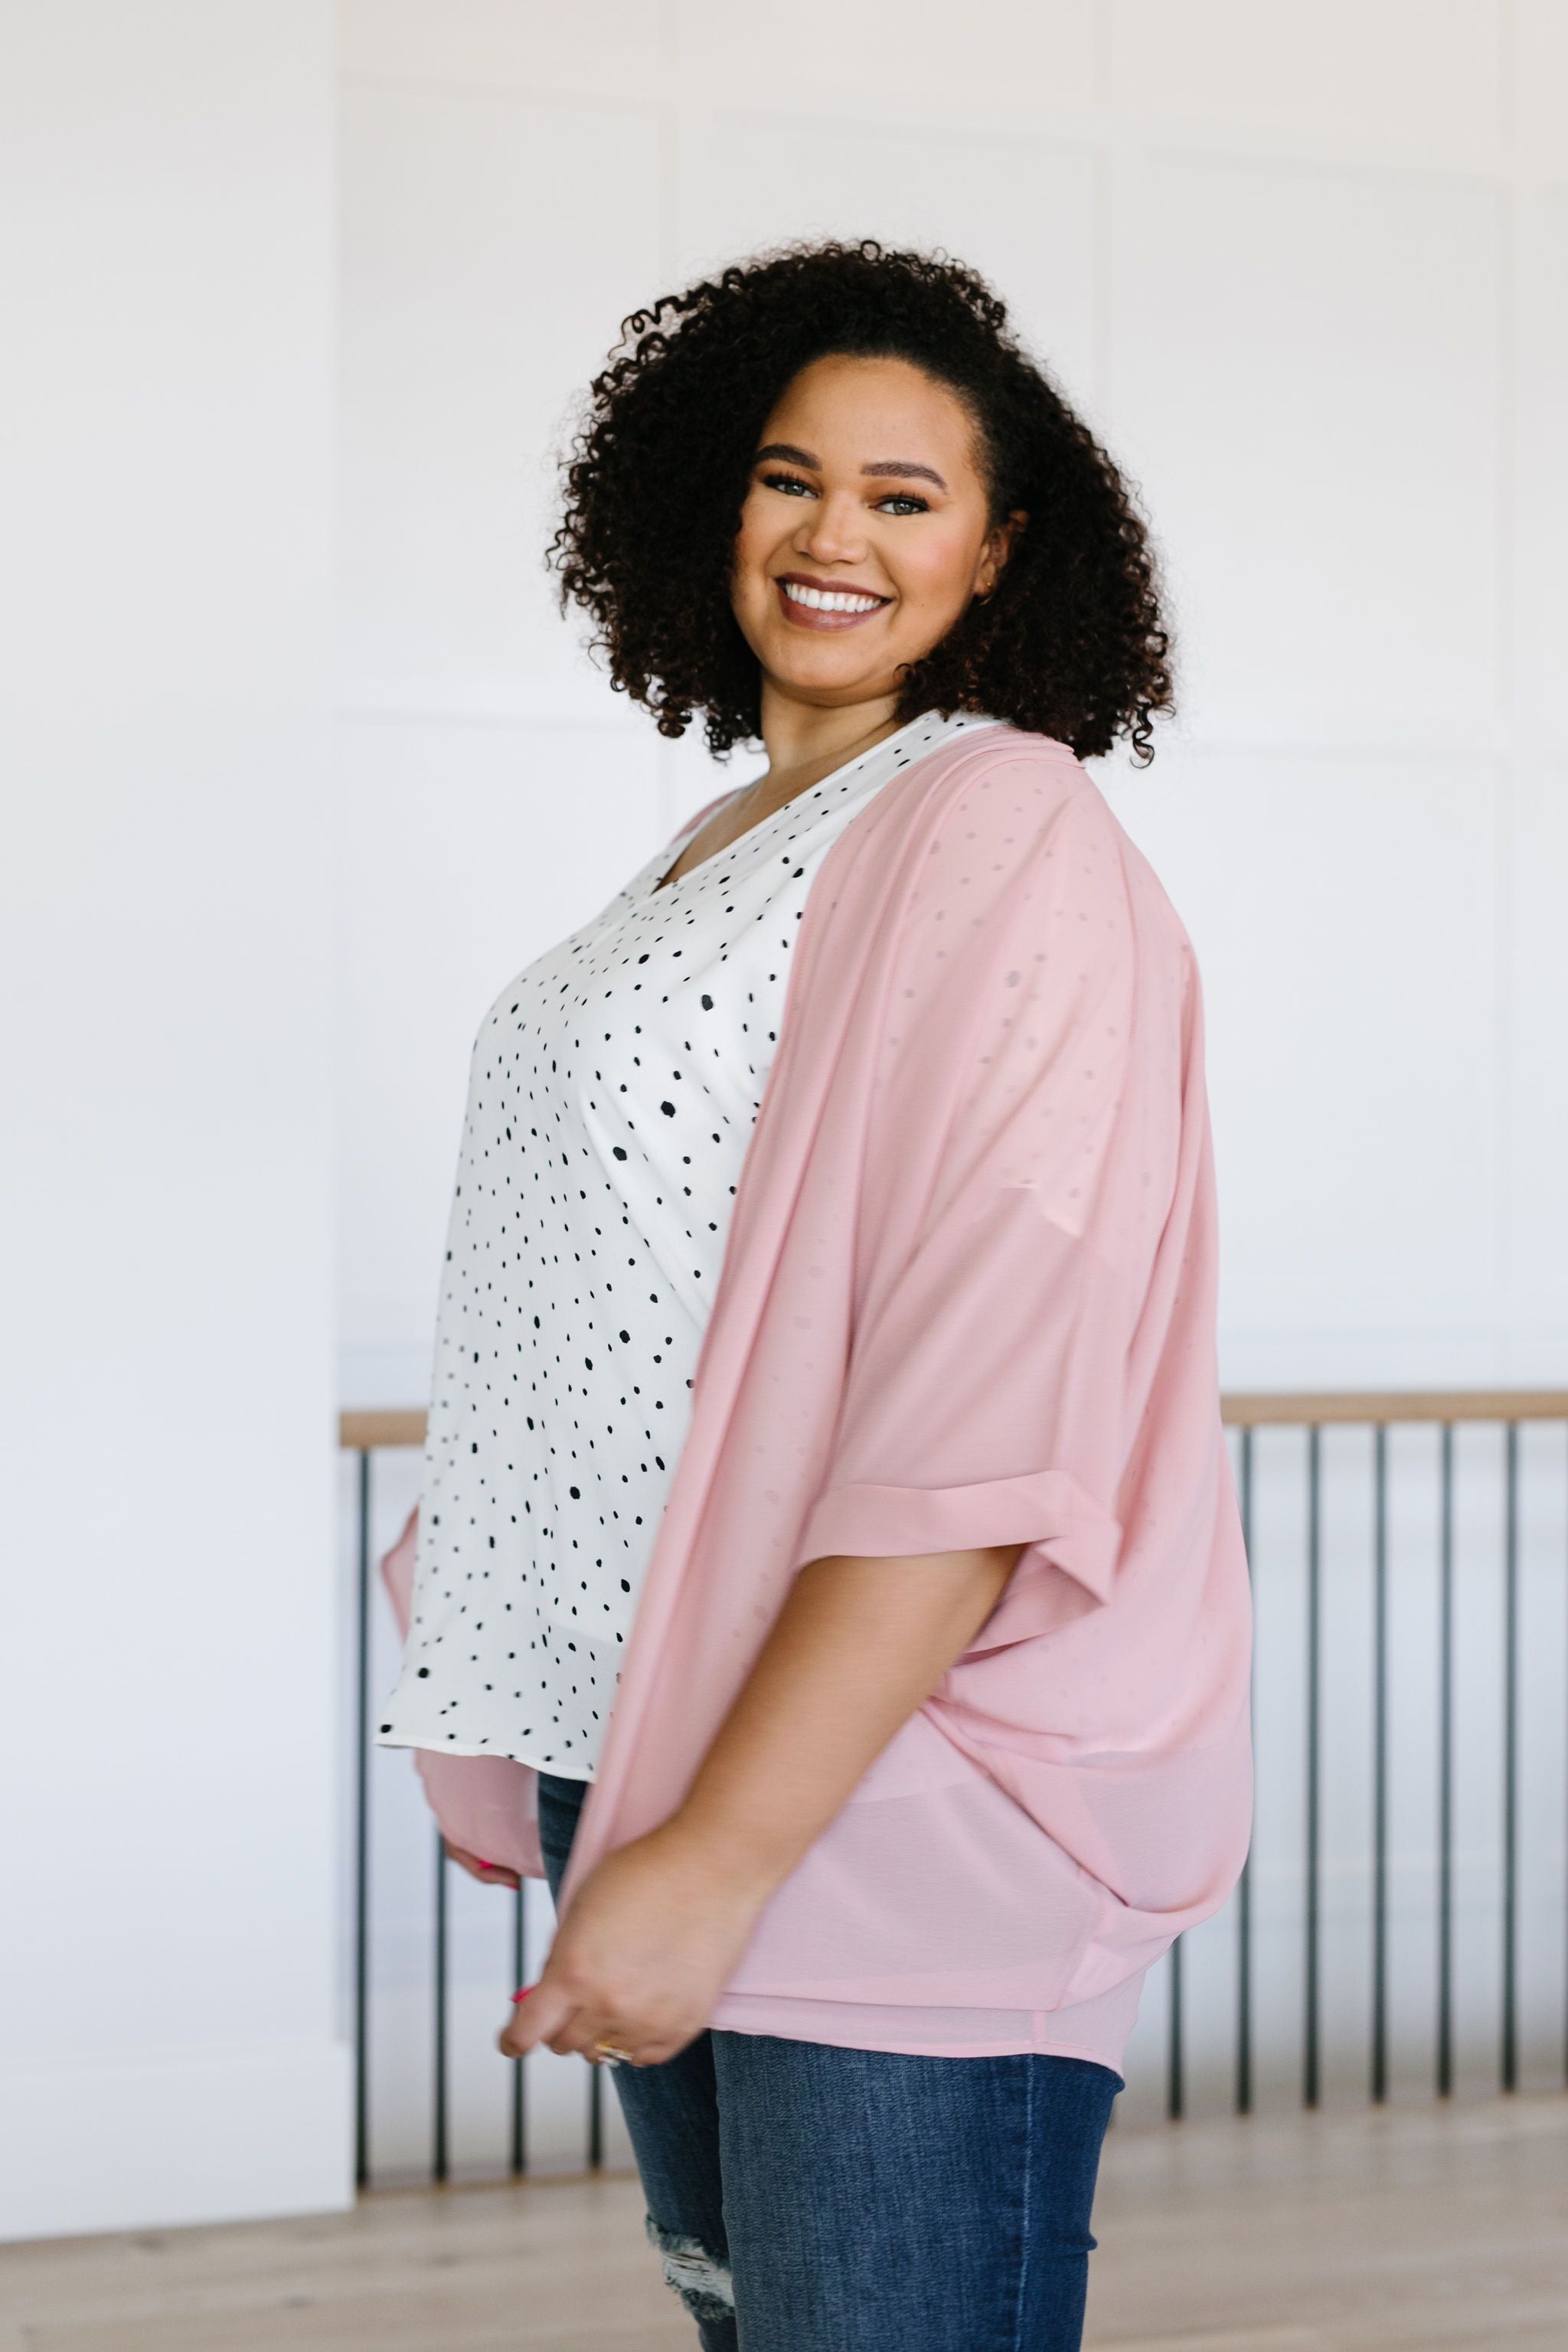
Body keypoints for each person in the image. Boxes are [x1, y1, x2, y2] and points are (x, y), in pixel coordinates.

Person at [375, 238, 1253, 2352]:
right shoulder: (730, 839)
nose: (832, 533)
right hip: (644, 1737)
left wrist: (726, 1843)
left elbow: (988, 1380)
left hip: (867, 1778)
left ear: (1000, 550)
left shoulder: (997, 818)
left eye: (901, 493)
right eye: (788, 479)